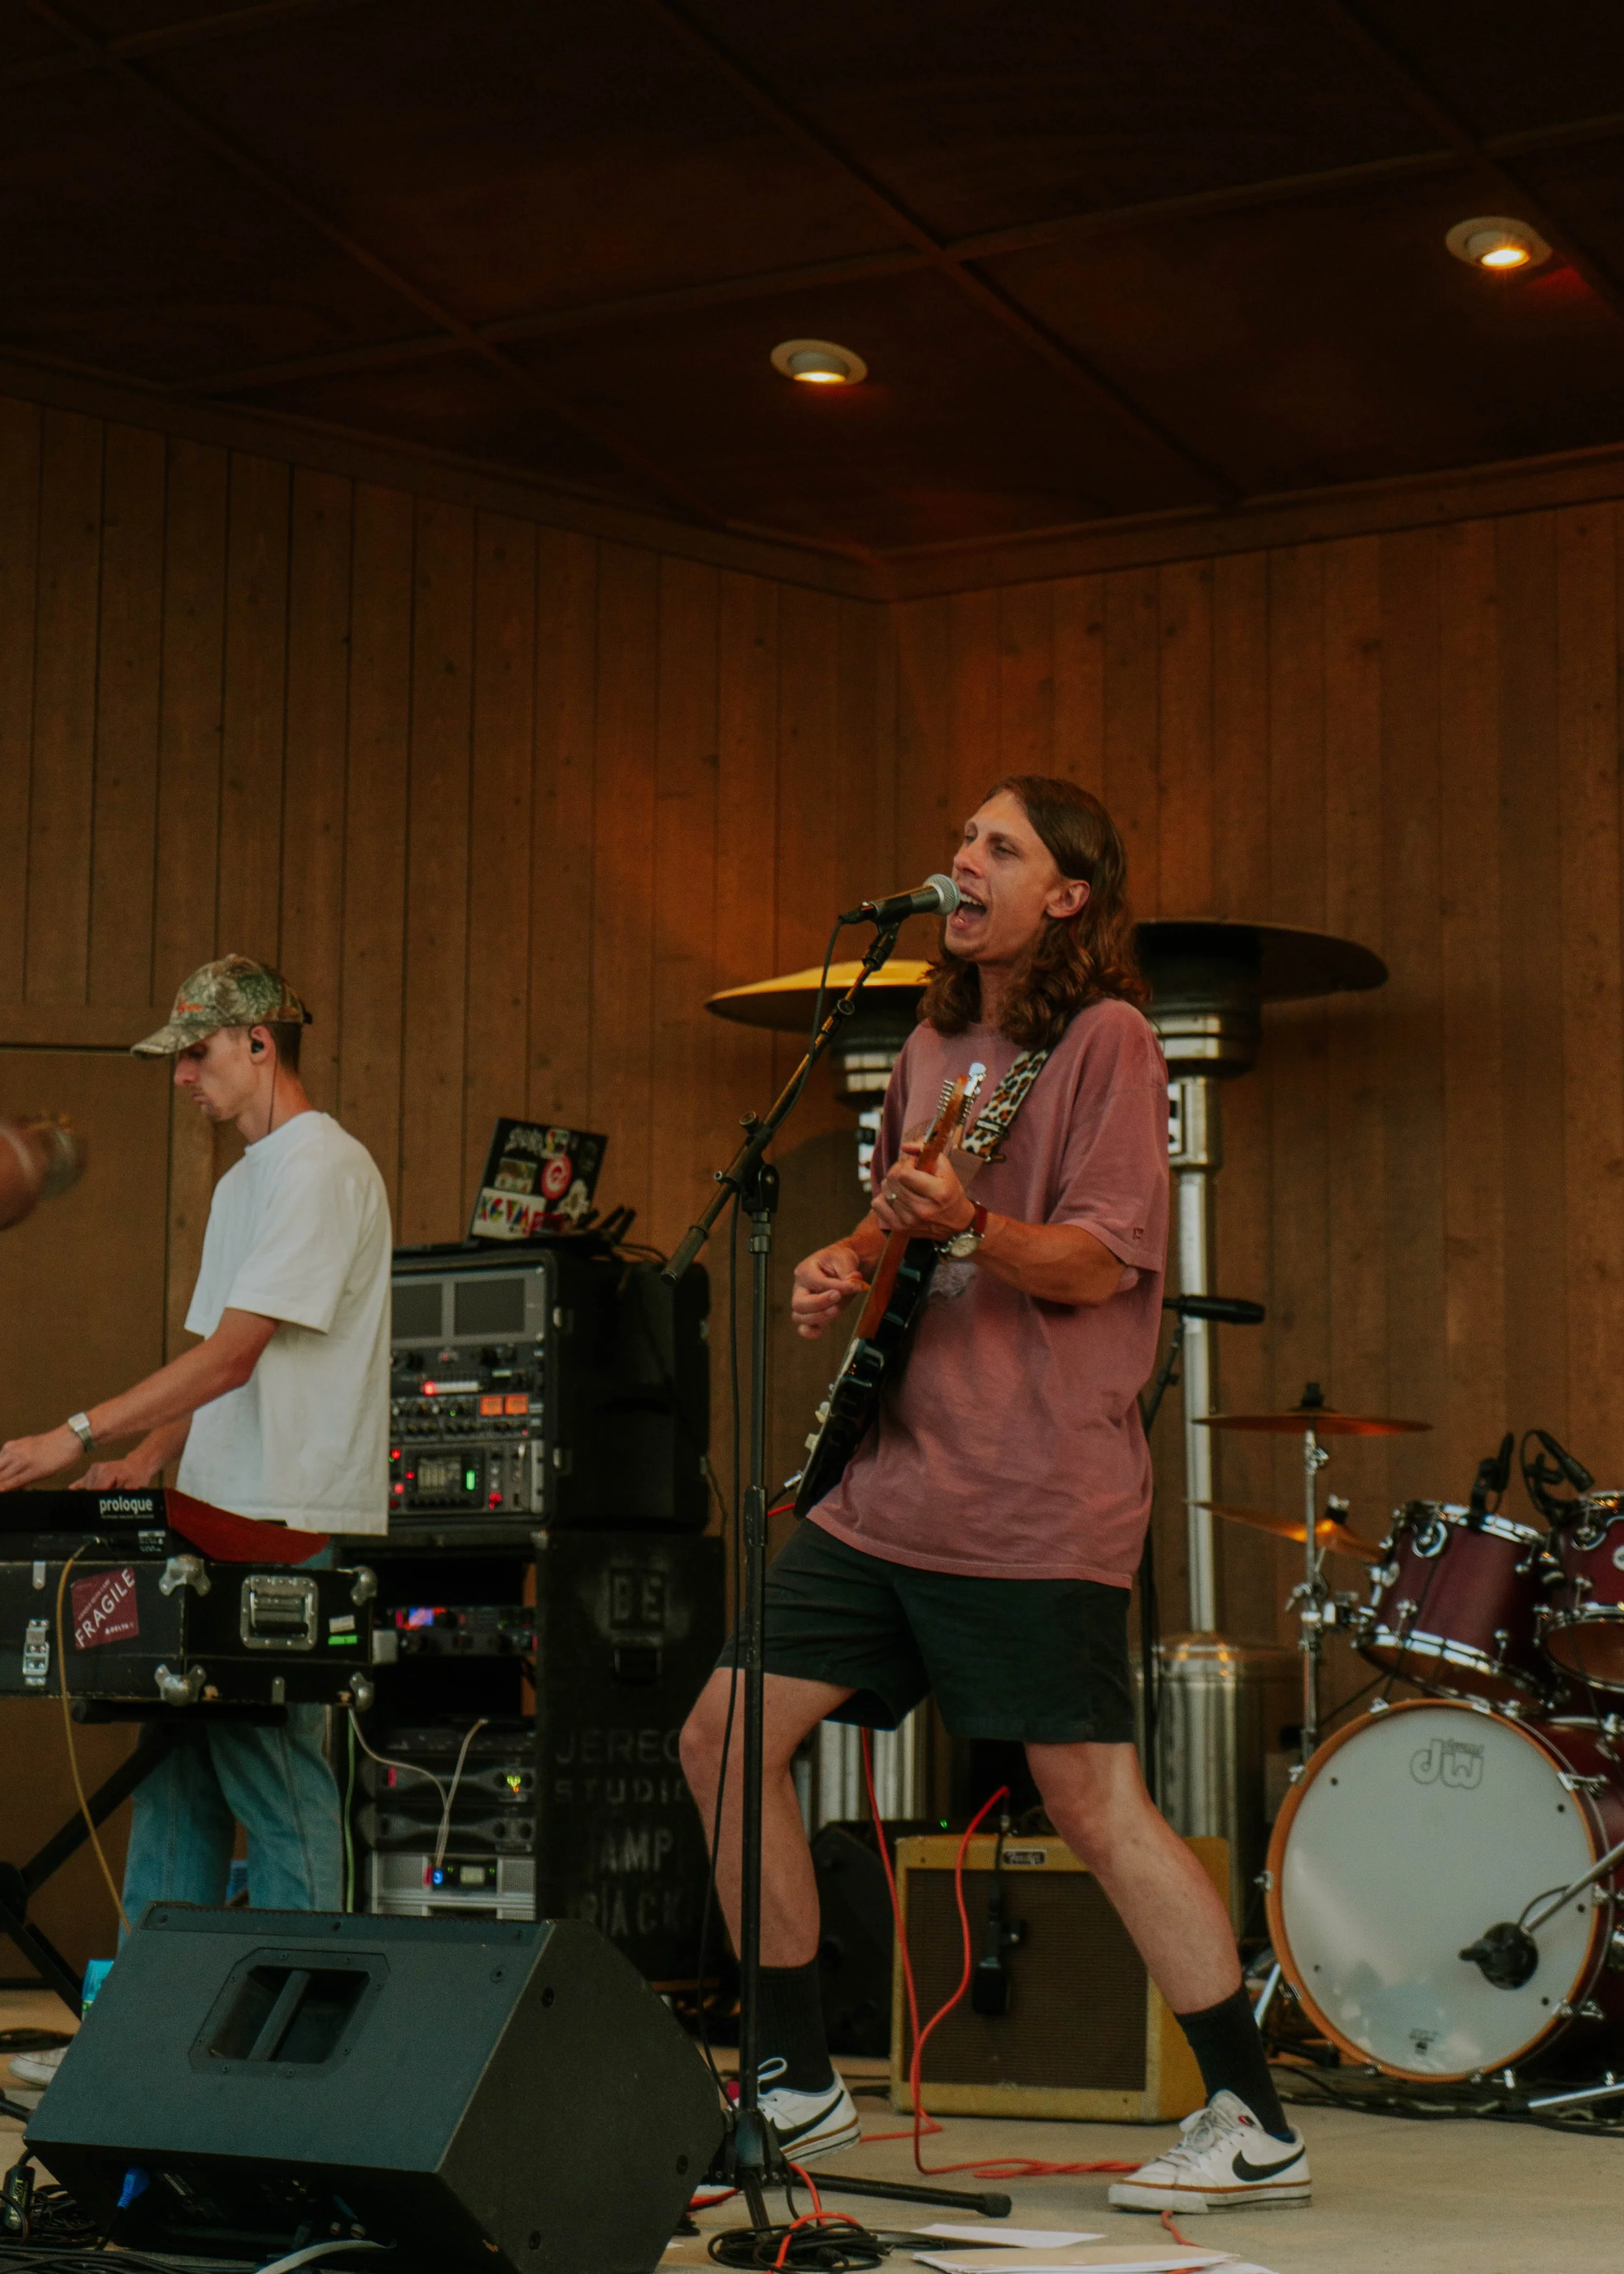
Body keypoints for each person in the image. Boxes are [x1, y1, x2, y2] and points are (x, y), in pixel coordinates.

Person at [679, 777, 1310, 2212]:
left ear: (1064, 897)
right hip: (890, 1490)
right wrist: (850, 1257)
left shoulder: (1105, 1040)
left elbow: (1096, 1259)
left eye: (997, 846)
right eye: (961, 840)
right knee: (723, 1732)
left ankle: (1252, 2114)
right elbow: (911, 1206)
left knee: (1089, 1802)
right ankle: (794, 2075)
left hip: (1031, 1497)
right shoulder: (925, 1042)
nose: (959, 860)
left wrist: (969, 1224)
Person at [0, 956, 391, 2086]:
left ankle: (313, 2046)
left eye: (199, 1054)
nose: (184, 1079)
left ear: (261, 1042)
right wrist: (139, 1464)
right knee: (175, 1772)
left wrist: (74, 1431)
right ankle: (138, 2044)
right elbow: (211, 1385)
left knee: (270, 1775)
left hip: (281, 1512)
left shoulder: (323, 1169)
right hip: (211, 1506)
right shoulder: (244, 1183)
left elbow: (234, 1354)